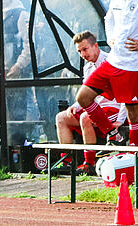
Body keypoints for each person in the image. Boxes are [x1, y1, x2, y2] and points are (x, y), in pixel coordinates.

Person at [76, 0, 138, 147]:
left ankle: (135, 159)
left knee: (133, 114)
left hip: (134, 65)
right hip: (113, 62)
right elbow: (109, 20)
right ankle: (113, 134)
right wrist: (111, 38)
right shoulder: (115, 0)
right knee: (83, 97)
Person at [55, 31, 121, 175]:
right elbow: (86, 93)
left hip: (113, 108)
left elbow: (124, 93)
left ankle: (89, 164)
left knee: (86, 117)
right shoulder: (88, 66)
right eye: (79, 51)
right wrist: (75, 106)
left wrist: (122, 119)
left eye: (85, 49)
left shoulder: (111, 61)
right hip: (95, 108)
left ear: (95, 46)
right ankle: (67, 162)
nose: (83, 54)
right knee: (61, 118)